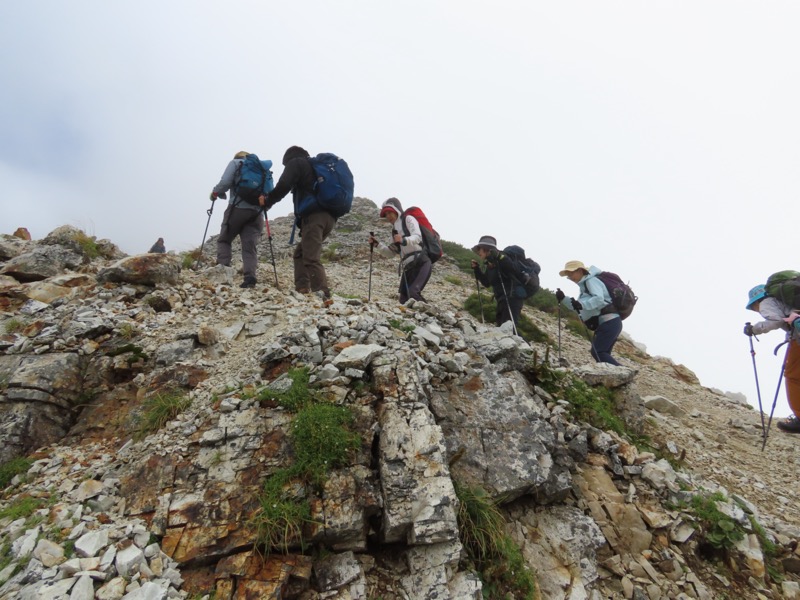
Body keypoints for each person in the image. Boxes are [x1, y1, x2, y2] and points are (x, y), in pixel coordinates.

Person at [260, 146, 334, 299]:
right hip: (329, 217)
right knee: (300, 253)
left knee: (310, 256)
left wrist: (268, 200)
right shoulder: (314, 167)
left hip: (315, 216)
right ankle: (302, 288)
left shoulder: (296, 163)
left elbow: (284, 185)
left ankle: (323, 294)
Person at [744, 284, 800, 433]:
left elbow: (776, 321)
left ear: (756, 301)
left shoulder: (766, 302)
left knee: (792, 376)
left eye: (753, 307)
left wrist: (753, 329)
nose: (756, 310)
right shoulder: (785, 302)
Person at [210, 151, 264, 288]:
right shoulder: (260, 168)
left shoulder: (236, 163)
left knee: (225, 239)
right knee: (249, 246)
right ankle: (250, 277)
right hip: (257, 212)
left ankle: (223, 270)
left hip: (238, 208)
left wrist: (215, 193)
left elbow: (225, 182)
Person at [556, 260, 622, 366]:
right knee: (602, 353)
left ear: (580, 271)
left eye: (571, 273)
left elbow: (599, 299)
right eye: (568, 275)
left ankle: (623, 374)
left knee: (599, 352)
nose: (570, 277)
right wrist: (564, 299)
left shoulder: (591, 281)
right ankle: (616, 377)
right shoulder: (584, 287)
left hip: (609, 321)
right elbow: (580, 307)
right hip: (609, 322)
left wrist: (582, 305)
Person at [368, 198, 432, 304]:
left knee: (413, 293)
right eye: (386, 214)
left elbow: (417, 237)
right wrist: (377, 244)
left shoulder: (408, 219)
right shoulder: (393, 231)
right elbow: (391, 253)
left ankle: (430, 316)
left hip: (421, 262)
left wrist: (403, 240)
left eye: (390, 212)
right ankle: (414, 317)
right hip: (408, 268)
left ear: (396, 210)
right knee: (403, 299)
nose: (388, 216)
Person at [471, 236, 524, 330]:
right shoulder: (490, 264)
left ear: (486, 249)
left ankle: (523, 345)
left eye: (479, 249)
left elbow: (513, 269)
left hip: (512, 298)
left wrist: (500, 257)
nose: (478, 252)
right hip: (501, 300)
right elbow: (487, 282)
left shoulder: (502, 257)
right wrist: (477, 269)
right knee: (502, 328)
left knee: (510, 329)